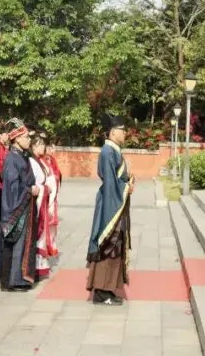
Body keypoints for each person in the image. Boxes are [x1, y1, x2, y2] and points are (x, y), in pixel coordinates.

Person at [87, 115, 134, 306]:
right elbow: (110, 182)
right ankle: (102, 292)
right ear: (113, 132)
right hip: (110, 205)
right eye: (123, 131)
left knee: (116, 247)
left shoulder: (114, 150)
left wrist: (128, 180)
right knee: (108, 245)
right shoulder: (107, 152)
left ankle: (110, 288)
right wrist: (125, 188)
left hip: (115, 203)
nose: (125, 134)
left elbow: (118, 178)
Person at [0, 120, 39, 292]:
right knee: (15, 244)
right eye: (26, 137)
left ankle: (20, 277)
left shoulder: (21, 156)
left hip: (25, 206)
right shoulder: (12, 159)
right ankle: (13, 280)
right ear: (17, 138)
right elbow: (13, 188)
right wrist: (29, 190)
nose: (29, 140)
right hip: (17, 208)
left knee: (22, 244)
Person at [30, 135, 58, 280]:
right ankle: (36, 266)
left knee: (43, 234)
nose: (43, 147)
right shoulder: (32, 161)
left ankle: (41, 265)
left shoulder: (41, 161)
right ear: (33, 147)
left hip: (45, 200)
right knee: (39, 233)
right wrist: (45, 188)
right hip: (39, 201)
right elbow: (36, 182)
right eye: (40, 145)